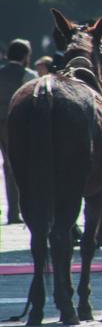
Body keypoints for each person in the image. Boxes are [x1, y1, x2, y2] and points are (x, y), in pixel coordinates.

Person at [0, 39, 37, 224]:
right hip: (15, 124)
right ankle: (17, 211)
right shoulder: (28, 75)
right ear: (25, 56)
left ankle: (12, 212)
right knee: (15, 168)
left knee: (8, 167)